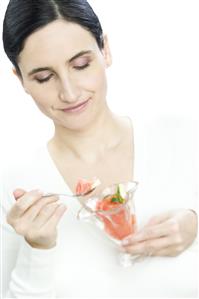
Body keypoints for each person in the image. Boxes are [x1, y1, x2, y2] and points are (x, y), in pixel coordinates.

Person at [1, 0, 198, 297]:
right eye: (44, 77)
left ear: (105, 50)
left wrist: (196, 225)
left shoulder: (183, 138)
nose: (69, 92)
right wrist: (37, 249)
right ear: (21, 80)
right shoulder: (14, 192)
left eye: (81, 65)